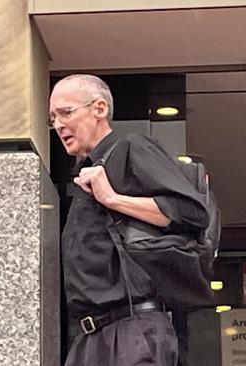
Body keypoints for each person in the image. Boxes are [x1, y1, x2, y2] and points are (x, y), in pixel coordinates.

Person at [51, 74, 209, 366]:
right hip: (93, 337)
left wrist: (112, 199)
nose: (59, 124)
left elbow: (191, 212)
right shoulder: (88, 169)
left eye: (66, 112)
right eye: (53, 118)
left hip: (133, 330)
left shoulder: (130, 148)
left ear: (99, 109)